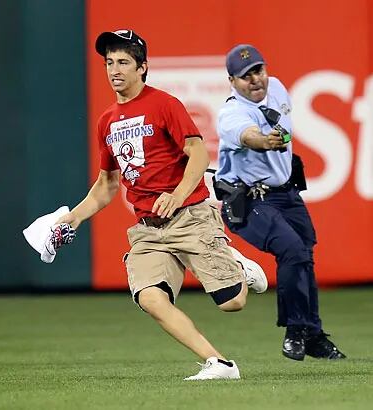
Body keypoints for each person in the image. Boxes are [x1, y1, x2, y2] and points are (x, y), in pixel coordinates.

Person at [55, 29, 268, 380]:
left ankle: (235, 265)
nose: (115, 70)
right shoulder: (107, 121)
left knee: (233, 302)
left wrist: (179, 193)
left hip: (189, 216)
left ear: (143, 67)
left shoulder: (164, 104)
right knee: (151, 299)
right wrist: (72, 220)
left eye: (124, 62)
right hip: (148, 229)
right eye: (109, 62)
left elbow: (198, 153)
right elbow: (107, 185)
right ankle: (219, 363)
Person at [215, 43, 346, 361]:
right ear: (232, 81)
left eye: (258, 70)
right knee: (292, 249)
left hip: (286, 193)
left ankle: (313, 336)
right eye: (245, 76)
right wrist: (263, 141)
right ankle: (296, 330)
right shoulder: (232, 113)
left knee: (305, 257)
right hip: (248, 200)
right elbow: (248, 136)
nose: (255, 79)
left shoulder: (277, 89)